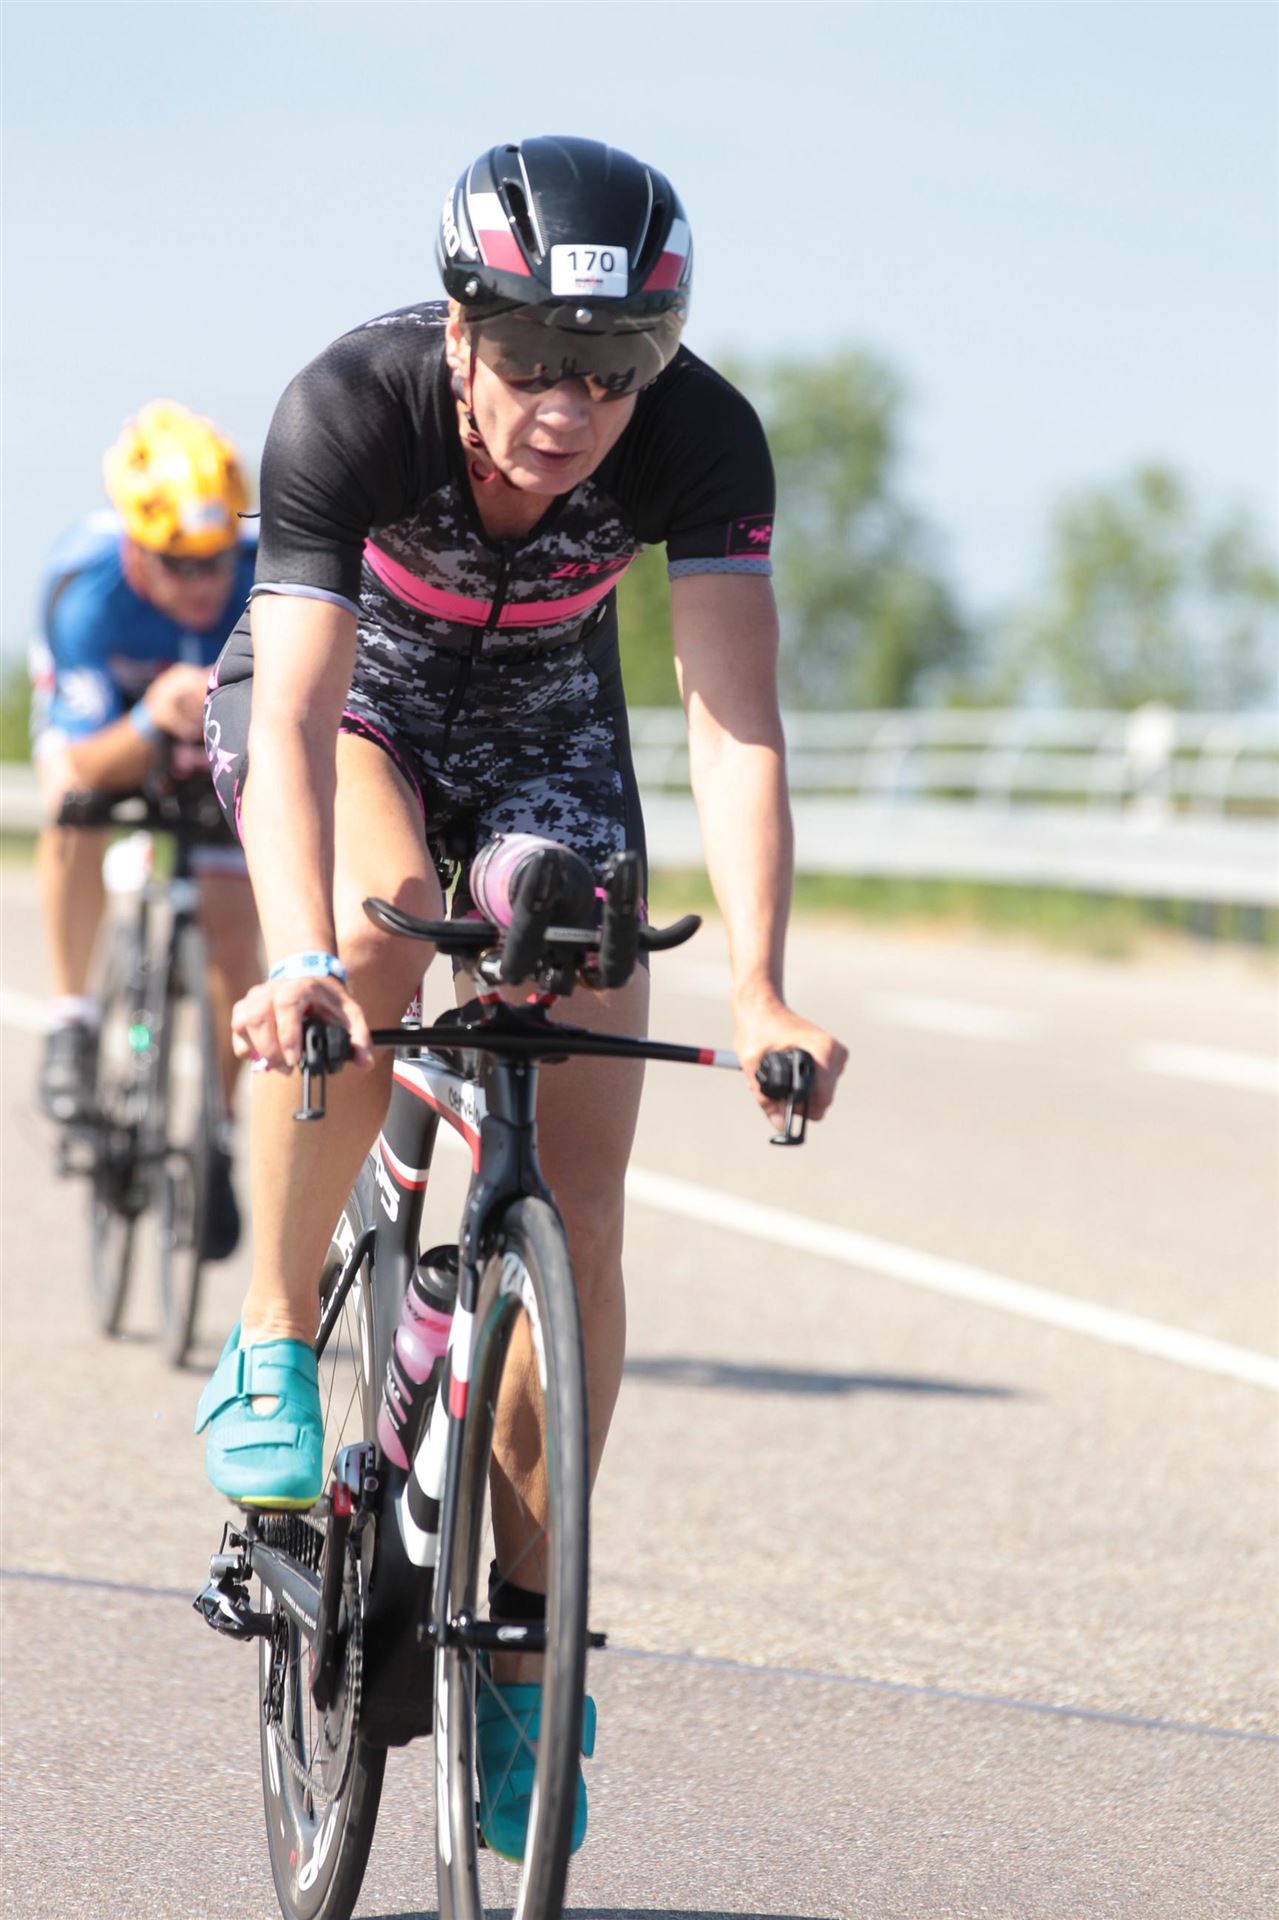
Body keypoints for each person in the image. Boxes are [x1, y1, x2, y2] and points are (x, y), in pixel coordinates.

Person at [195, 135, 847, 1856]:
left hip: (545, 737)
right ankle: (270, 1331)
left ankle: (520, 1661)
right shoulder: (353, 404)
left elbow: (731, 724)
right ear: (460, 329)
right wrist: (298, 958)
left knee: (586, 1198)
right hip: (352, 712)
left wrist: (762, 987)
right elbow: (294, 716)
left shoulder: (703, 437)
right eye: (538, 359)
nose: (572, 407)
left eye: (616, 367)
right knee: (385, 927)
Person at [30, 400, 261, 1257]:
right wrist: (154, 715)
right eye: (176, 564)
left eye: (215, 560)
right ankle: (72, 1019)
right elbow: (84, 763)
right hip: (117, 730)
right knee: (71, 810)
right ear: (134, 545)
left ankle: (219, 1137)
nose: (202, 583)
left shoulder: (263, 571)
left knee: (235, 940)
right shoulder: (85, 586)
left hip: (218, 741)